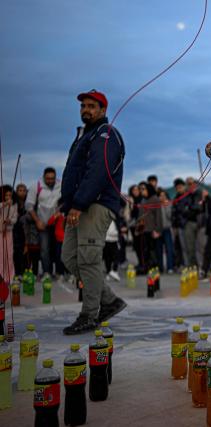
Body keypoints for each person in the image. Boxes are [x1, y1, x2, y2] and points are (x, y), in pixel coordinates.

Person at [60, 89, 127, 334]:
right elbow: (75, 172)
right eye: (83, 106)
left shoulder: (106, 135)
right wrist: (67, 204)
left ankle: (89, 314)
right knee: (69, 257)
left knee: (88, 259)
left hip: (95, 205)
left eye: (91, 106)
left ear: (103, 110)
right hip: (78, 206)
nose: (86, 110)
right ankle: (109, 300)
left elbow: (98, 171)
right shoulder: (85, 135)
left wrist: (78, 203)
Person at [25, 166, 61, 277]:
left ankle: (60, 272)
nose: (50, 181)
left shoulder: (61, 185)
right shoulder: (36, 186)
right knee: (45, 249)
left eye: (52, 178)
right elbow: (29, 206)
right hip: (43, 224)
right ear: (44, 177)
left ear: (55, 177)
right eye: (48, 178)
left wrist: (60, 212)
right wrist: (37, 221)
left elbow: (66, 200)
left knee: (58, 249)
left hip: (57, 224)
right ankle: (47, 272)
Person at [171, 178, 202, 269]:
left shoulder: (190, 195)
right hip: (180, 225)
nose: (179, 189)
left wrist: (186, 213)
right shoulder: (176, 198)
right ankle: (188, 264)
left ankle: (193, 265)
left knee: (192, 246)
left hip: (189, 223)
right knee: (184, 247)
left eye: (180, 187)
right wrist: (174, 226)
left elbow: (194, 208)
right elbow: (174, 213)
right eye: (177, 187)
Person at [139, 182, 162, 272]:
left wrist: (157, 230)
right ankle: (147, 267)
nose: (142, 191)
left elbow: (158, 216)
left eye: (144, 189)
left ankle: (155, 268)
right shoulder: (143, 200)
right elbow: (140, 215)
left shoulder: (155, 199)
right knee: (146, 250)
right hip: (144, 229)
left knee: (154, 250)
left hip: (153, 230)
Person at [1, 186, 18, 284]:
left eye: (9, 195)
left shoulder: (14, 205)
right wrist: (5, 204)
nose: (8, 197)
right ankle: (1, 276)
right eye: (6, 195)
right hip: (0, 233)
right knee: (1, 256)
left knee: (9, 255)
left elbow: (15, 219)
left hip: (9, 232)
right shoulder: (3, 204)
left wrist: (9, 221)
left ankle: (10, 277)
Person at [157, 190, 175, 273]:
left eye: (164, 195)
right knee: (159, 249)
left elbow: (170, 216)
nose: (162, 197)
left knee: (169, 248)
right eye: (160, 195)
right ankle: (160, 267)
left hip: (167, 229)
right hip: (159, 230)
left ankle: (170, 267)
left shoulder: (169, 204)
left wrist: (166, 206)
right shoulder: (157, 205)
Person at [12, 183, 28, 277]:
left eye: (23, 190)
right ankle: (16, 272)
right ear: (16, 191)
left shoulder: (29, 202)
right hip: (15, 230)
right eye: (20, 190)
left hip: (25, 230)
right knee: (15, 252)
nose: (22, 193)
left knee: (24, 252)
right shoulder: (14, 203)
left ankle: (24, 271)